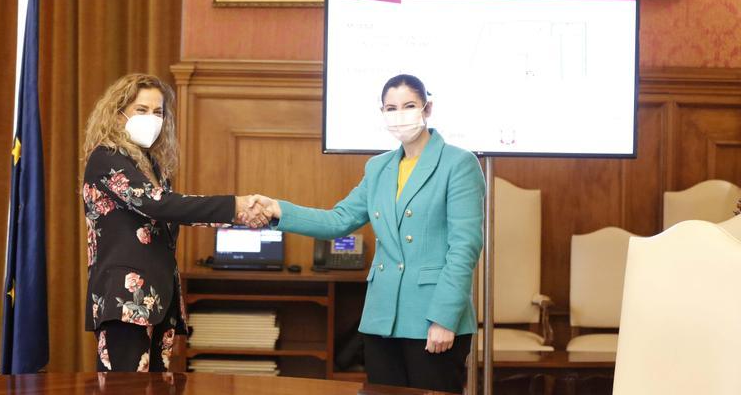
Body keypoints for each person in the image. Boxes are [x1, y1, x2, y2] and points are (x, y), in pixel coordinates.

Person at [251, 74, 485, 392]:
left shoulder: (459, 163)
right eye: (391, 107)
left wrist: (444, 318)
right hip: (381, 317)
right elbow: (338, 220)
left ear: (427, 109)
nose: (400, 114)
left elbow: (465, 247)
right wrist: (278, 209)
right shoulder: (378, 168)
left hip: (434, 319)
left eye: (409, 105)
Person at [81, 74, 265, 372]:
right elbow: (159, 204)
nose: (152, 118)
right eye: (141, 110)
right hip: (126, 301)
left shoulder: (150, 165)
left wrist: (239, 214)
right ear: (117, 114)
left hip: (157, 299)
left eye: (158, 112)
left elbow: (171, 208)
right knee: (123, 389)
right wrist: (235, 206)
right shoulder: (106, 158)